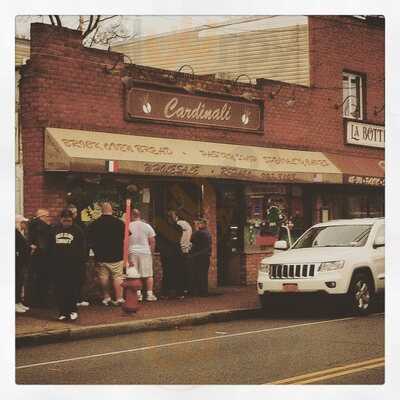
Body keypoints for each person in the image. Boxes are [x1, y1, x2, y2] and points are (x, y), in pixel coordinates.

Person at [50, 209, 87, 321]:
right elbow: (50, 248)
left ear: (72, 220)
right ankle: (63, 312)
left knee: (72, 289)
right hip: (58, 266)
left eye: (69, 220)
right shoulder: (54, 230)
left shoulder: (78, 231)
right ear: (61, 219)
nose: (66, 223)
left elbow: (83, 249)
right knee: (60, 290)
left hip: (73, 266)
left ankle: (72, 310)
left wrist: (81, 264)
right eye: (65, 220)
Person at [87, 202, 125, 306]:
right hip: (116, 254)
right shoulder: (120, 223)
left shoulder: (95, 223)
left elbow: (90, 239)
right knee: (117, 276)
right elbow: (126, 237)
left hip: (101, 255)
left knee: (103, 277)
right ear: (111, 210)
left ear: (101, 211)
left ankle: (106, 297)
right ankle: (119, 298)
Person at [128, 209, 157, 301]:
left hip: (132, 251)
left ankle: (138, 294)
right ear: (139, 215)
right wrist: (151, 253)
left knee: (135, 275)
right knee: (148, 275)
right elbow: (152, 241)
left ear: (131, 216)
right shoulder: (147, 226)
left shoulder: (128, 226)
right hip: (145, 251)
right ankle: (149, 294)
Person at [27, 208, 53, 307]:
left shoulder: (34, 226)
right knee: (43, 279)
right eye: (47, 216)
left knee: (38, 279)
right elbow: (43, 244)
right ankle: (42, 301)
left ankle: (37, 300)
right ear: (41, 217)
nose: (48, 218)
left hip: (38, 257)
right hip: (42, 257)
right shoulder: (41, 227)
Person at [67, 204, 90, 307]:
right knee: (78, 279)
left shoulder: (60, 227)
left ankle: (74, 299)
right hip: (77, 258)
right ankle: (78, 299)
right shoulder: (79, 227)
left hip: (68, 257)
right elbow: (84, 242)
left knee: (73, 279)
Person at [190, 218, 212, 296]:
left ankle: (201, 292)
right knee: (203, 274)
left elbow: (191, 239)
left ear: (203, 224)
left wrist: (195, 229)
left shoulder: (200, 233)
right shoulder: (208, 233)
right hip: (205, 256)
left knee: (199, 274)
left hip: (199, 256)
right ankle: (203, 291)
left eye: (199, 223)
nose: (198, 225)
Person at [15, 215, 30, 313]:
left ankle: (19, 301)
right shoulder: (15, 233)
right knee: (17, 282)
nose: (25, 224)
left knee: (20, 282)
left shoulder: (21, 233)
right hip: (18, 262)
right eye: (23, 222)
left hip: (22, 262)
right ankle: (15, 303)